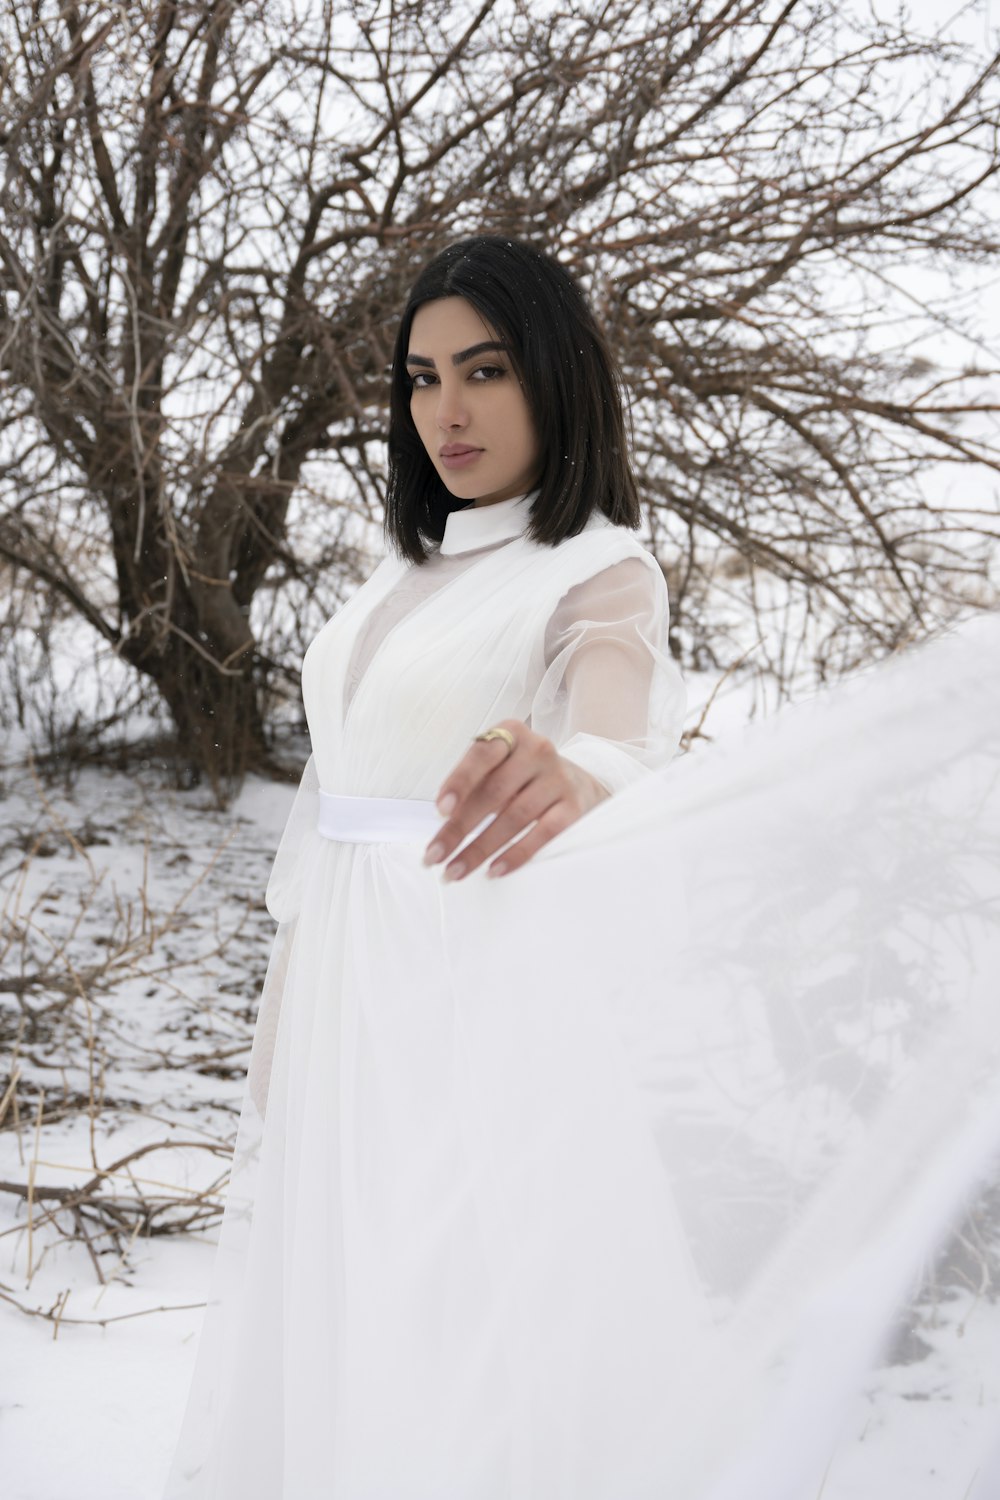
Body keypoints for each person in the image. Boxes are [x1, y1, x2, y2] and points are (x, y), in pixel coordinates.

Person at [163, 238, 1000, 1500]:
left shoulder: (595, 564)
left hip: (460, 1013)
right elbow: (333, 816)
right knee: (335, 1341)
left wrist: (579, 773)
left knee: (452, 1350)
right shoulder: (410, 565)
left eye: (486, 371)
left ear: (552, 374)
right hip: (350, 1017)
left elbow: (613, 719)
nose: (447, 409)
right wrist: (285, 1046)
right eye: (423, 377)